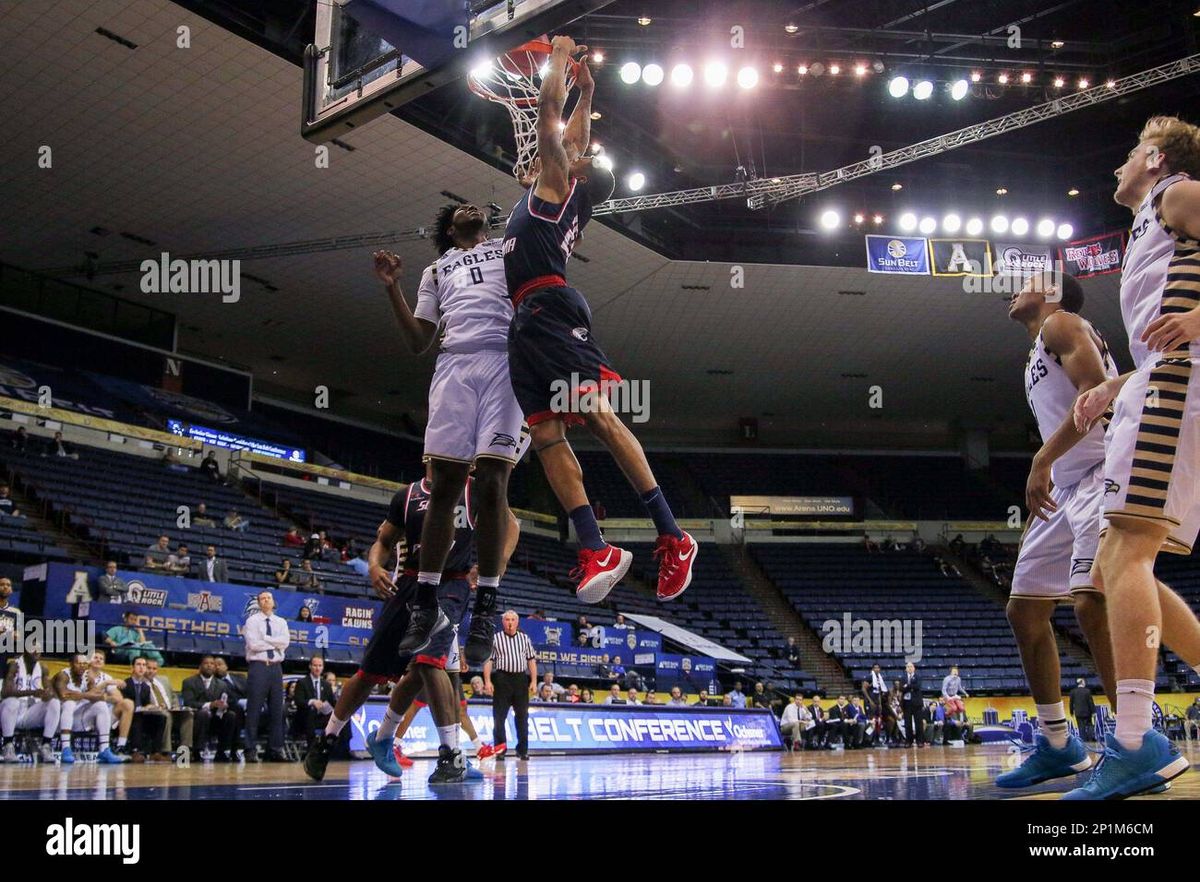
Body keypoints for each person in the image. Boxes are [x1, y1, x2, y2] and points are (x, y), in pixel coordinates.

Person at [501, 35, 697, 607]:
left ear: (577, 170)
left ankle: (674, 534)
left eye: (572, 152)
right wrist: (587, 90)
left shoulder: (558, 185)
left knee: (599, 417)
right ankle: (596, 546)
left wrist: (560, 57)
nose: (567, 149)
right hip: (527, 320)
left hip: (552, 308)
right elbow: (572, 134)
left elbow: (547, 124)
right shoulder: (570, 190)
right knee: (543, 433)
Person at [1066, 116, 1200, 799]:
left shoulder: (1178, 192)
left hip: (1183, 380)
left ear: (1151, 156)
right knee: (1118, 560)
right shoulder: (1151, 221)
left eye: (1125, 155)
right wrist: (1118, 385)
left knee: (1126, 554)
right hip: (1159, 381)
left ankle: (1133, 742)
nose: (1115, 168)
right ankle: (1136, 741)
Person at [373, 197, 527, 670]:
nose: (469, 206)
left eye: (475, 204)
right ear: (449, 225)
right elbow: (420, 340)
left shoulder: (509, 247)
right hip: (454, 365)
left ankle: (485, 608)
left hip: (505, 360)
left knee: (491, 485)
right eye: (459, 206)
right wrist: (392, 287)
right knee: (444, 487)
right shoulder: (436, 270)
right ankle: (425, 603)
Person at [303, 474, 516, 783]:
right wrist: (375, 566)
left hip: (451, 585)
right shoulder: (408, 495)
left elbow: (512, 524)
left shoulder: (474, 487)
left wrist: (500, 562)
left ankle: (451, 753)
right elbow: (382, 541)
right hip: (408, 584)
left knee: (432, 665)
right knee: (371, 674)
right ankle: (329, 738)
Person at [997, 270, 1121, 790]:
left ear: (1050, 293)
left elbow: (1097, 393)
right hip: (1067, 487)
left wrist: (1041, 461)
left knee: (1091, 601)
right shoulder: (1038, 348)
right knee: (1024, 609)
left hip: (1101, 473)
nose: (1012, 288)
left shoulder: (1062, 323)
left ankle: (1137, 742)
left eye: (1024, 282)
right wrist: (1047, 480)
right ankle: (1057, 743)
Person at [52, 653, 126, 764]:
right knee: (69, 703)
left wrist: (83, 694)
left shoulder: (88, 677)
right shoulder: (63, 675)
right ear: (72, 664)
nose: (82, 666)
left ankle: (104, 749)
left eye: (84, 664)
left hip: (77, 719)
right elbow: (64, 695)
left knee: (101, 705)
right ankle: (65, 748)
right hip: (58, 721)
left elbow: (96, 696)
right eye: (78, 663)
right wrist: (83, 695)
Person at [482, 610, 537, 760]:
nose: (510, 622)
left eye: (513, 619)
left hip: (520, 679)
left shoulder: (524, 638)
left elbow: (531, 660)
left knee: (522, 717)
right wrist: (487, 681)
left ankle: (523, 750)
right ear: (502, 622)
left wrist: (533, 681)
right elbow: (488, 660)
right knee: (499, 717)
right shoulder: (496, 638)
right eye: (507, 619)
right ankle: (500, 749)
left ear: (517, 622)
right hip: (502, 679)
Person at [243, 590, 290, 762]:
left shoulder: (281, 622)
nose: (266, 601)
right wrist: (274, 643)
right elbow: (254, 645)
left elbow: (285, 642)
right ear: (258, 603)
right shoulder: (252, 621)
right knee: (254, 709)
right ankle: (249, 749)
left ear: (273, 601)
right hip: (258, 667)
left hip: (276, 668)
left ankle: (275, 749)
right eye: (262, 599)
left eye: (268, 598)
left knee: (277, 710)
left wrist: (267, 639)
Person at [0, 641, 61, 762]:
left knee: (54, 702)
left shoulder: (43, 668)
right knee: (12, 701)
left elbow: (51, 691)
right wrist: (31, 692)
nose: (36, 651)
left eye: (39, 649)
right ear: (25, 650)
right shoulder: (14, 665)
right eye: (33, 648)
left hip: (30, 712)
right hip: (11, 714)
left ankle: (46, 746)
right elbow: (5, 693)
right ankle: (8, 746)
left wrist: (48, 694)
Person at [181, 655, 239, 761]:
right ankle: (197, 751)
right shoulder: (189, 682)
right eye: (206, 663)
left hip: (216, 717)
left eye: (212, 664)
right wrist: (209, 705)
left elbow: (228, 701)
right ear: (200, 666)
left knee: (231, 715)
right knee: (203, 713)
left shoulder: (222, 684)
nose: (209, 665)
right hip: (197, 718)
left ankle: (222, 751)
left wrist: (224, 706)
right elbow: (188, 702)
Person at [122, 656, 170, 761]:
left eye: (144, 665)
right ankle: (136, 751)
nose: (142, 668)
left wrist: (151, 707)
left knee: (161, 718)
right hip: (128, 717)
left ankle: (155, 752)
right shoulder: (125, 684)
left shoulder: (146, 687)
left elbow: (146, 704)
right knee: (137, 717)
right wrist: (141, 708)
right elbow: (124, 704)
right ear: (132, 668)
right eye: (138, 664)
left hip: (142, 716)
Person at [145, 658, 191, 757]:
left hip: (172, 710)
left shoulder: (164, 679)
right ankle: (166, 751)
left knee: (188, 714)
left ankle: (185, 751)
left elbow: (173, 696)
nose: (151, 671)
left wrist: (176, 706)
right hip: (155, 714)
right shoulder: (141, 683)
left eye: (154, 668)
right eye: (149, 668)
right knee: (166, 715)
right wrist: (157, 707)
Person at [291, 655, 335, 747]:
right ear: (310, 666)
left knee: (340, 719)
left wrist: (325, 706)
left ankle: (339, 751)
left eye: (320, 666)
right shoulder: (302, 682)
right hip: (305, 717)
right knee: (311, 712)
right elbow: (298, 701)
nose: (317, 668)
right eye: (315, 665)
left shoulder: (326, 684)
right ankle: (312, 750)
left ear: (323, 667)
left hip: (322, 716)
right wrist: (312, 702)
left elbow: (332, 702)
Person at [900, 662, 924, 748]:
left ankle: (920, 741)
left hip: (917, 703)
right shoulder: (903, 677)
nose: (909, 668)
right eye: (908, 667)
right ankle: (908, 741)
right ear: (906, 669)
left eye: (911, 667)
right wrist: (910, 686)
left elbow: (918, 686)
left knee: (919, 723)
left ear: (914, 668)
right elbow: (901, 688)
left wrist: (908, 685)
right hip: (907, 703)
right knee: (908, 723)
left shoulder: (918, 676)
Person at [1069, 678, 1097, 743]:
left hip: (1078, 712)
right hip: (1087, 712)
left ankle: (1083, 740)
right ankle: (1091, 738)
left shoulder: (1073, 691)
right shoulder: (1087, 691)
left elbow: (1071, 703)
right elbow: (1090, 702)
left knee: (1081, 727)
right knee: (1089, 725)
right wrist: (1093, 711)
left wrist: (1071, 712)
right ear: (1082, 682)